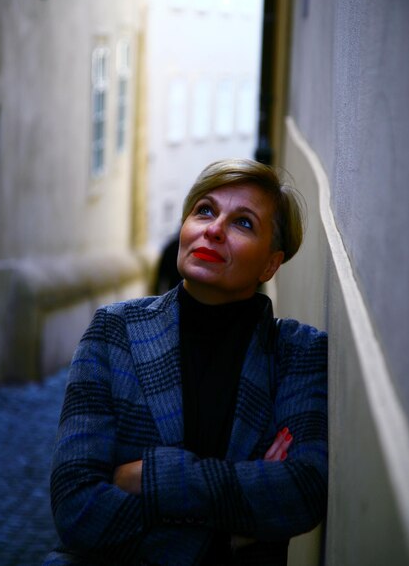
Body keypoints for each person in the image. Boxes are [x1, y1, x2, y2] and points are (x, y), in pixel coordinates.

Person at [44, 158, 328, 566]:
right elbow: (77, 506)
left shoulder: (297, 354)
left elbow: (301, 490)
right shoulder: (114, 331)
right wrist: (228, 526)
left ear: (270, 263)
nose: (213, 229)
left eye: (243, 223)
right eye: (205, 211)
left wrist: (149, 477)